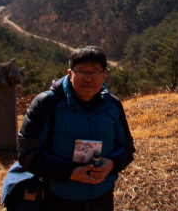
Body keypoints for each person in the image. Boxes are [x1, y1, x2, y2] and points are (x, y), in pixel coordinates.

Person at [17, 46, 135, 211]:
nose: (88, 78)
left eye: (94, 72)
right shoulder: (47, 104)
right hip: (58, 198)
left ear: (104, 75)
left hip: (102, 198)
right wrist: (70, 173)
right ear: (70, 73)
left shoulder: (113, 105)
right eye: (82, 71)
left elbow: (127, 147)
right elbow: (27, 154)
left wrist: (112, 164)